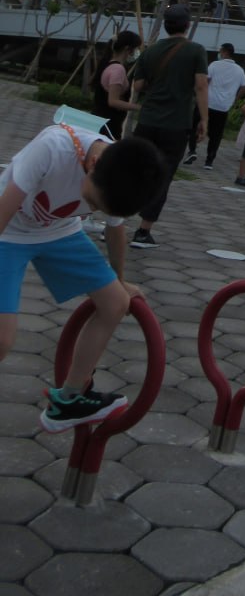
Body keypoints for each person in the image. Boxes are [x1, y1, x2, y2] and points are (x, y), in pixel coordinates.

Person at [0, 120, 165, 430]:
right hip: (9, 231)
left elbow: (115, 232)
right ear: (93, 164)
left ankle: (69, 399)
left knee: (115, 302)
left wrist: (120, 279)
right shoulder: (54, 147)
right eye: (91, 203)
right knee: (2, 339)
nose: (91, 208)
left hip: (59, 233)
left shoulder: (122, 173)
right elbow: (3, 211)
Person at [129, 5, 209, 249]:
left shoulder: (150, 51)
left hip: (147, 120)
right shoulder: (196, 51)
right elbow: (201, 87)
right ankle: (143, 231)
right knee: (162, 175)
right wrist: (204, 120)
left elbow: (138, 85)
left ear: (165, 26)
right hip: (175, 124)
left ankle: (114, 221)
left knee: (136, 171)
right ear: (186, 26)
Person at [184, 42, 245, 170]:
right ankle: (209, 161)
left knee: (194, 126)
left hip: (207, 102)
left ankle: (192, 151)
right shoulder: (239, 70)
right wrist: (235, 98)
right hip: (223, 106)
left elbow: (205, 81)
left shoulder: (214, 65)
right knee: (216, 135)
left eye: (220, 51)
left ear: (224, 52)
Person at [92, 30, 142, 141]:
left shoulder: (107, 64)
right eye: (136, 48)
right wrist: (140, 108)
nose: (137, 52)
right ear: (127, 49)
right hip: (109, 124)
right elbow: (113, 101)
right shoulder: (118, 69)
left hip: (101, 121)